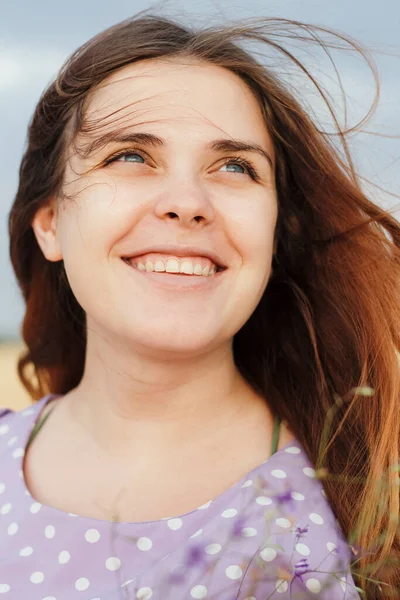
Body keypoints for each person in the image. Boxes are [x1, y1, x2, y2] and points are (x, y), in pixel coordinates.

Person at [1, 8, 399, 600]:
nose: (187, 202)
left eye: (234, 167)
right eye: (130, 156)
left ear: (276, 235)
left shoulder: (347, 527)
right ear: (51, 223)